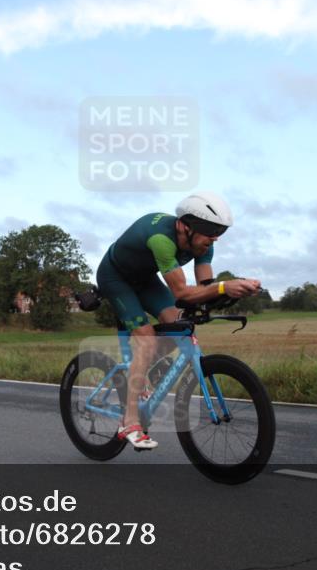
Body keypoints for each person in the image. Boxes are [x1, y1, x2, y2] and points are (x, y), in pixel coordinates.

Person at [96, 192, 261, 450]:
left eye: (220, 232)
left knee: (178, 324)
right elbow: (182, 293)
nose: (215, 238)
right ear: (185, 226)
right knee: (147, 339)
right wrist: (223, 287)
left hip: (146, 280)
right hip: (115, 278)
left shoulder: (204, 244)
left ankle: (140, 372)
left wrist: (234, 290)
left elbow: (205, 289)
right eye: (211, 231)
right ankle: (129, 422)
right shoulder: (162, 239)